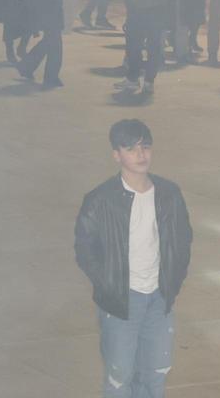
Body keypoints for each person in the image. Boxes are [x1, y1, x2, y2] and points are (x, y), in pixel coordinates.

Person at [74, 119, 192, 398]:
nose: (141, 154)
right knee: (120, 378)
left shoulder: (169, 194)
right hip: (121, 302)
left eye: (145, 146)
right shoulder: (100, 200)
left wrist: (172, 283)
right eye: (131, 148)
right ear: (116, 155)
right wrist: (110, 285)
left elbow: (183, 241)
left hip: (160, 299)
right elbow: (85, 250)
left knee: (155, 375)